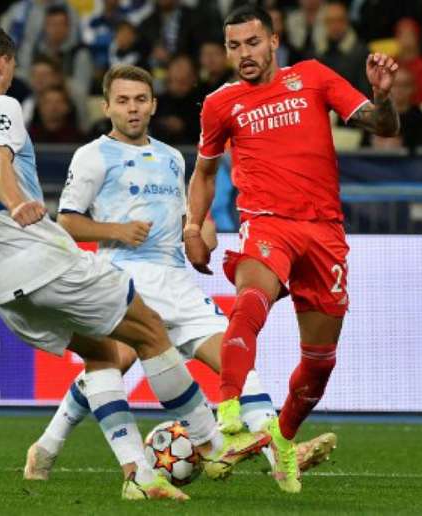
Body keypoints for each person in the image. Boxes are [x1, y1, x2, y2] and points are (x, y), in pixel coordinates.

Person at [0, 21, 268, 501]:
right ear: (4, 63)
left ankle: (137, 471)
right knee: (151, 329)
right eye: (11, 70)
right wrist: (16, 203)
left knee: (101, 354)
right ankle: (211, 443)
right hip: (42, 258)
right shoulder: (1, 105)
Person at [24, 63, 337, 482]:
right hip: (123, 275)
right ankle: (49, 447)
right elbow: (67, 221)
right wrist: (115, 230)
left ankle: (280, 460)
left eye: (139, 100)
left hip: (175, 279)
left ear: (153, 105)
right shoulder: (93, 155)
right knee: (112, 363)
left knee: (234, 360)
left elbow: (189, 214)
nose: (132, 109)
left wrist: (199, 230)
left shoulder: (172, 158)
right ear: (107, 107)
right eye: (122, 101)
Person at [185, 6, 400, 494]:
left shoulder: (313, 78)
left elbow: (382, 126)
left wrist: (382, 99)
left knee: (321, 361)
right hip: (267, 224)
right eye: (234, 46)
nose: (244, 54)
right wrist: (193, 225)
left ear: (274, 41)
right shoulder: (221, 104)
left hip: (324, 233)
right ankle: (230, 411)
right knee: (250, 301)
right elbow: (204, 172)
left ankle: (283, 440)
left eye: (252, 43)